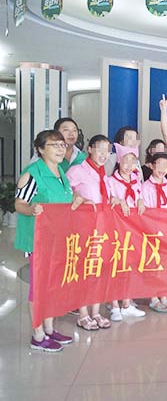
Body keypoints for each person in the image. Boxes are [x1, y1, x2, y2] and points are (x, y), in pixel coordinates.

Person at [15, 130, 86, 351]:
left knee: (53, 286)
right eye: (54, 145)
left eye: (62, 145)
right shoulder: (32, 174)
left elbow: (65, 198)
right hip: (39, 240)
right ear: (40, 149)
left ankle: (49, 328)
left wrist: (77, 197)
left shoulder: (61, 172)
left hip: (59, 239)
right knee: (39, 288)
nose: (60, 149)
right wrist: (31, 209)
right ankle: (37, 335)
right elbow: (19, 204)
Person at [66, 135, 114, 331]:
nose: (104, 154)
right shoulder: (77, 171)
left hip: (102, 230)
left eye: (107, 150)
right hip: (83, 230)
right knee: (83, 270)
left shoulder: (104, 175)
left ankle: (96, 312)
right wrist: (76, 195)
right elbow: (65, 193)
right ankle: (83, 314)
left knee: (98, 270)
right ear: (90, 149)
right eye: (100, 149)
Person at [106, 143, 147, 321]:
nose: (129, 165)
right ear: (118, 161)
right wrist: (117, 200)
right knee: (116, 266)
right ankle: (114, 305)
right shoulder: (110, 181)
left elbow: (140, 197)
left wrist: (140, 201)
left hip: (134, 229)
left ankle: (127, 303)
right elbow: (106, 199)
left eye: (133, 161)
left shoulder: (137, 180)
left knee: (131, 265)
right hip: (116, 229)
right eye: (126, 161)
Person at [141, 152, 167, 313]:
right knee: (154, 265)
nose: (162, 169)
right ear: (151, 166)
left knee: (166, 265)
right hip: (152, 232)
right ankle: (153, 298)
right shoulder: (145, 187)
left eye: (165, 165)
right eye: (158, 165)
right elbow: (145, 211)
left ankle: (164, 297)